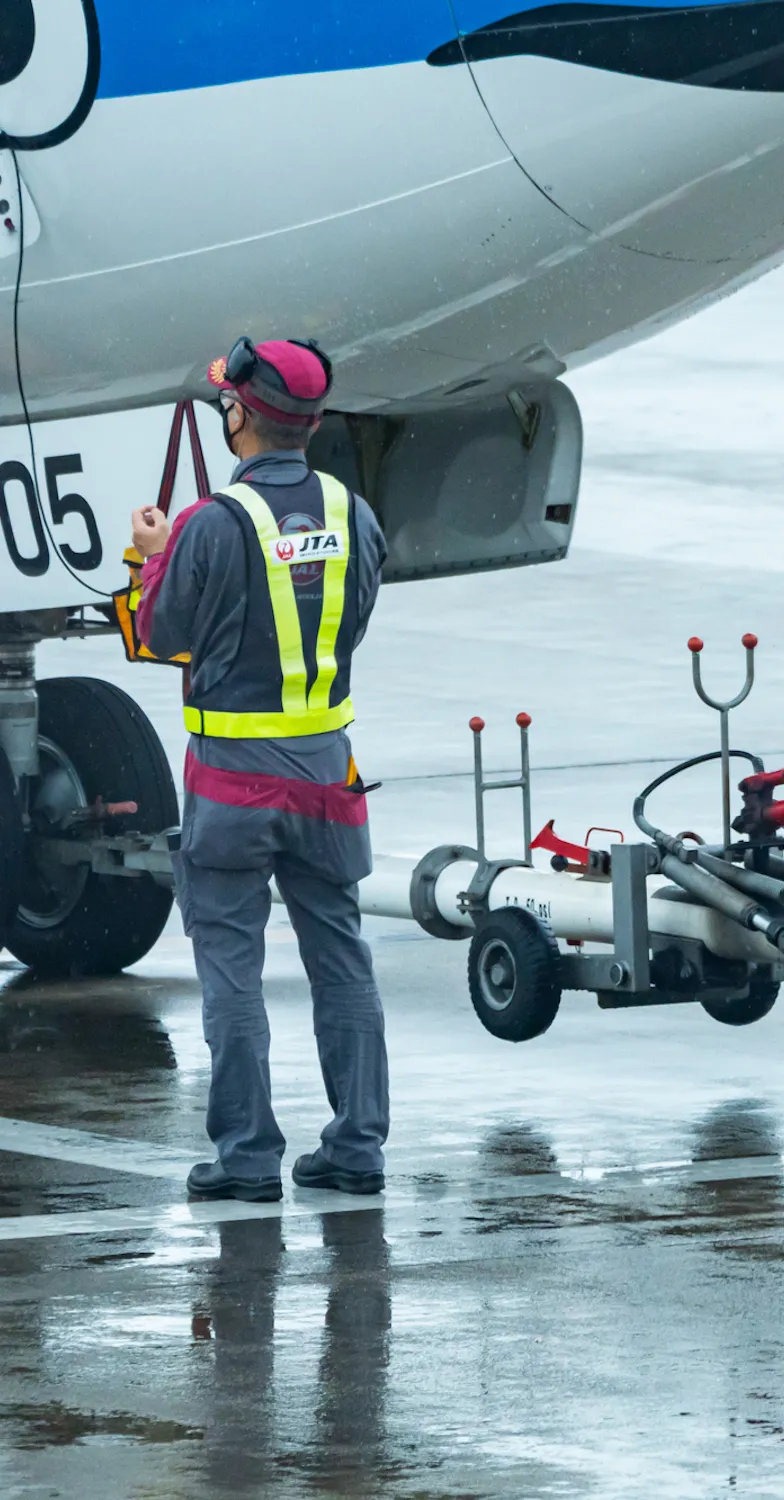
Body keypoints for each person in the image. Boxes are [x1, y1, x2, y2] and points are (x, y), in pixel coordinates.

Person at [131, 337, 390, 1203]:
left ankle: (246, 1160)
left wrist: (148, 557)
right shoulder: (354, 512)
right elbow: (350, 620)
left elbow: (159, 636)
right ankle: (357, 1148)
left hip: (231, 788)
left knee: (232, 973)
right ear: (310, 425)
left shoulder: (211, 523)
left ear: (240, 414)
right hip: (327, 777)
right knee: (342, 960)